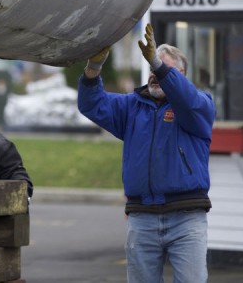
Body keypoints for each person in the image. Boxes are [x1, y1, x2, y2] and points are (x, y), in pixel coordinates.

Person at [77, 23, 216, 283]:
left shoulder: (199, 105)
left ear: (182, 76)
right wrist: (94, 68)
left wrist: (158, 64)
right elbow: (91, 104)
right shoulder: (131, 106)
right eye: (152, 68)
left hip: (186, 219)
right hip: (142, 219)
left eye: (164, 70)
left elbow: (188, 100)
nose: (156, 74)